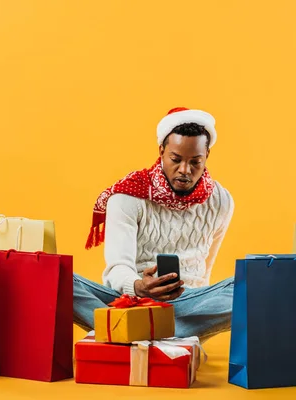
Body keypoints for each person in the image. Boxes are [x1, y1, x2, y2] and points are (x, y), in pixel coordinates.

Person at [73, 107, 235, 342]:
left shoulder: (221, 200)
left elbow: (205, 268)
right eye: (176, 159)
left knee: (251, 286)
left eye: (195, 162)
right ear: (161, 151)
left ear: (207, 155)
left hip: (187, 302)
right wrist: (139, 286)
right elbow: (117, 267)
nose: (184, 170)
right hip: (128, 300)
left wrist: (201, 303)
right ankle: (165, 332)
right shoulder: (127, 196)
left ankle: (125, 331)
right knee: (58, 279)